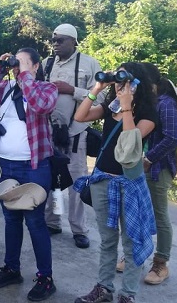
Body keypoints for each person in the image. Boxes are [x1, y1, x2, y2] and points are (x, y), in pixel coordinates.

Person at [0, 48, 59, 301]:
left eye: (23, 63)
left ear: (35, 66)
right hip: (3, 164)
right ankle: (12, 268)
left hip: (33, 166)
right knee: (11, 220)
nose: (16, 67)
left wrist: (26, 77)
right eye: (15, 63)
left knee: (35, 222)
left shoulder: (47, 88)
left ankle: (46, 278)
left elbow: (41, 107)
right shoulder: (4, 89)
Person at [72, 62, 158, 303]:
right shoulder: (111, 107)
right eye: (117, 79)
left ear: (136, 82)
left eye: (124, 78)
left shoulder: (148, 115)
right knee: (108, 240)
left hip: (128, 184)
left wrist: (128, 107)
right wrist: (97, 88)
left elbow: (130, 141)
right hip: (102, 180)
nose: (119, 84)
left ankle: (127, 295)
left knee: (131, 243)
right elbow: (80, 116)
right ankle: (104, 288)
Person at [116, 63, 177, 285]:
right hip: (139, 167)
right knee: (137, 212)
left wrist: (149, 158)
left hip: (157, 169)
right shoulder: (143, 103)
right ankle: (135, 254)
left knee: (159, 215)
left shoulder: (165, 104)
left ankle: (161, 263)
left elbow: (173, 137)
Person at [42, 23, 102, 249]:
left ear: (74, 41)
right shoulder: (47, 64)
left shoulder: (89, 63)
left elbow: (102, 98)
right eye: (54, 40)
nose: (56, 44)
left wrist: (73, 90)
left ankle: (78, 229)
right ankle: (53, 221)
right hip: (49, 134)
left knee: (76, 183)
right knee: (54, 182)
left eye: (61, 40)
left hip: (76, 134)